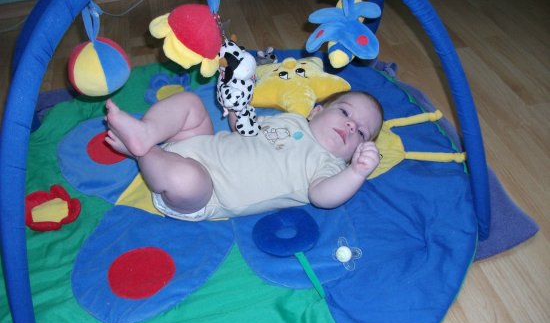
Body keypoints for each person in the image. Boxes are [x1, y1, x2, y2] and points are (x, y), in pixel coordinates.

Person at [105, 90, 383, 221]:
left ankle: (144, 152)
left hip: (204, 193)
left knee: (184, 179)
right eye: (344, 112)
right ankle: (147, 133)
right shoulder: (292, 121)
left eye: (361, 132)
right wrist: (239, 103)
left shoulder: (330, 166)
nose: (351, 125)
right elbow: (243, 127)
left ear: (355, 152)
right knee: (190, 103)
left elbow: (323, 197)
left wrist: (356, 173)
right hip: (199, 143)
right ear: (316, 111)